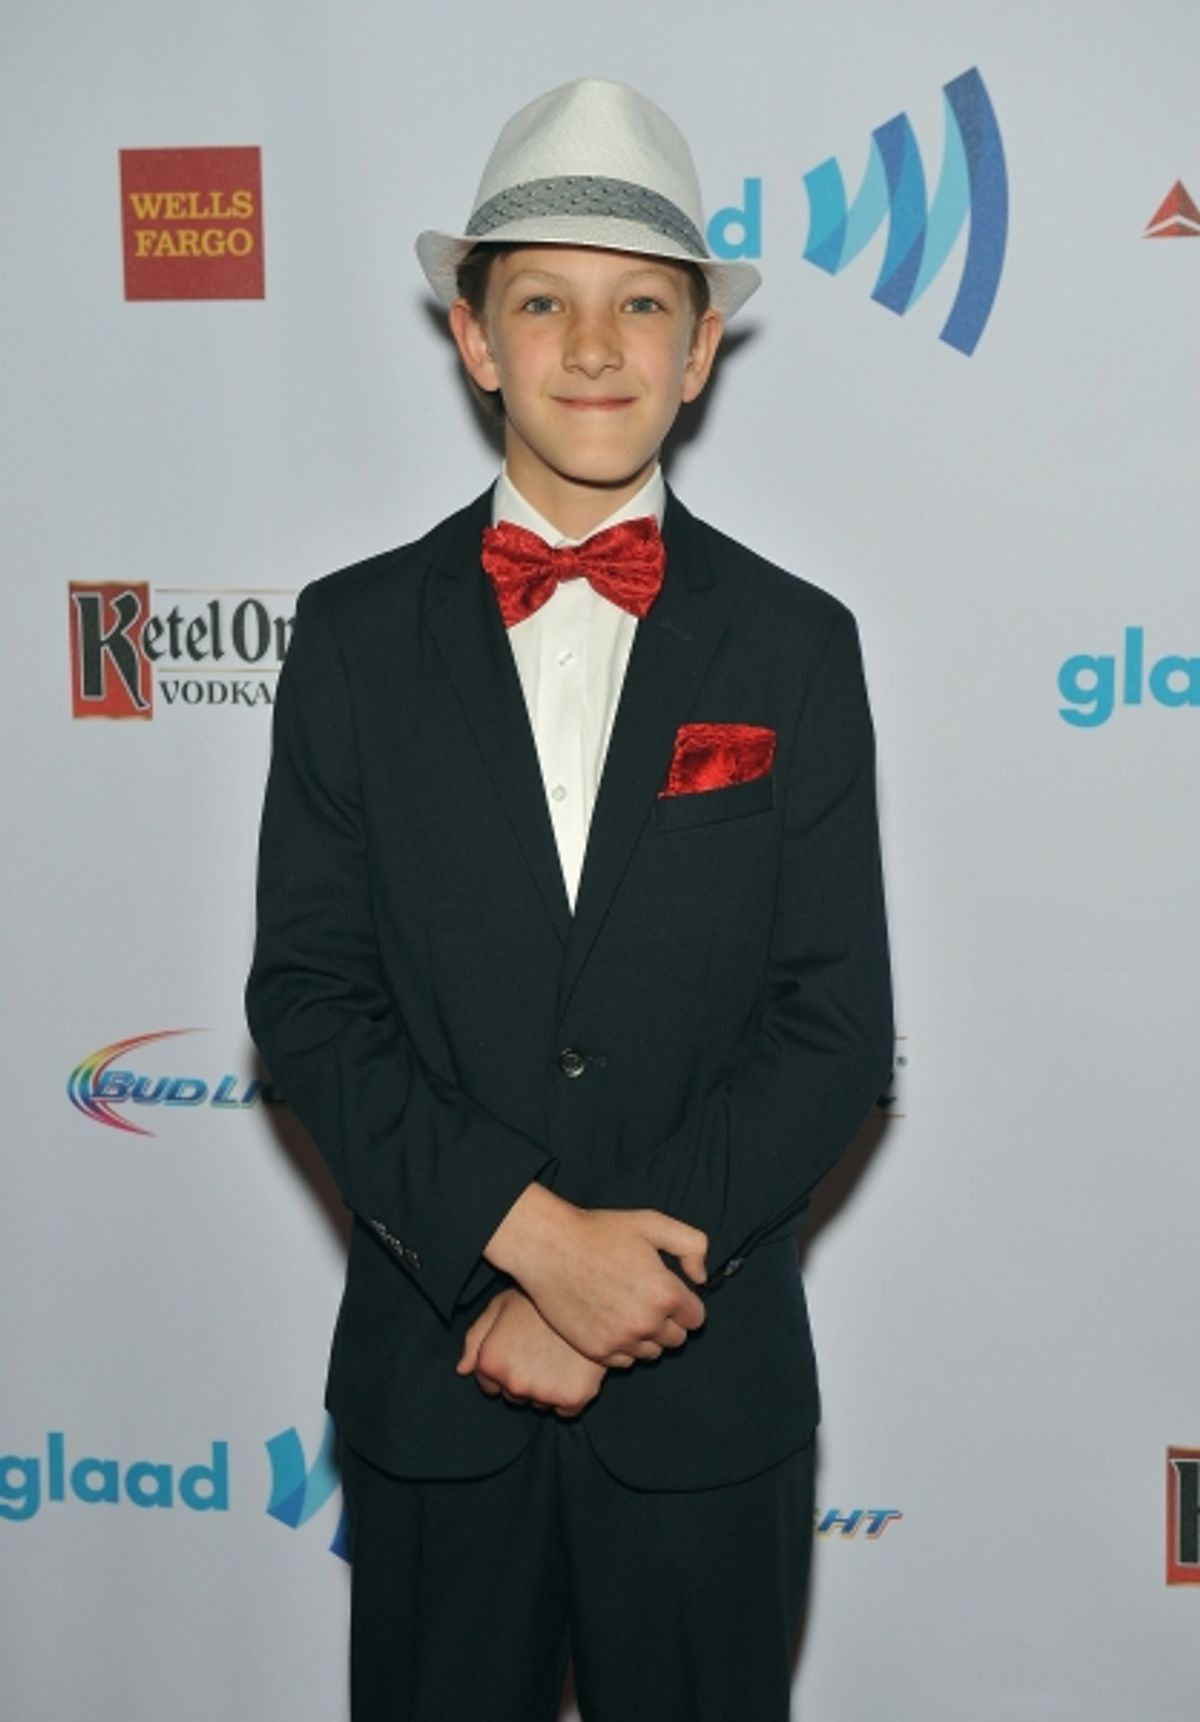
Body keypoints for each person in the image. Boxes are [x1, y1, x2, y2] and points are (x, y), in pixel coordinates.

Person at [246, 76, 892, 1722]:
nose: (592, 347)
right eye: (543, 299)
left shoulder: (798, 646)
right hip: (436, 1387)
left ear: (698, 350)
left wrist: (615, 1299)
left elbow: (832, 1028)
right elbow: (309, 1001)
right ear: (474, 339)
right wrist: (524, 1251)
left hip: (708, 1407)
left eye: (640, 307)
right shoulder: (353, 638)